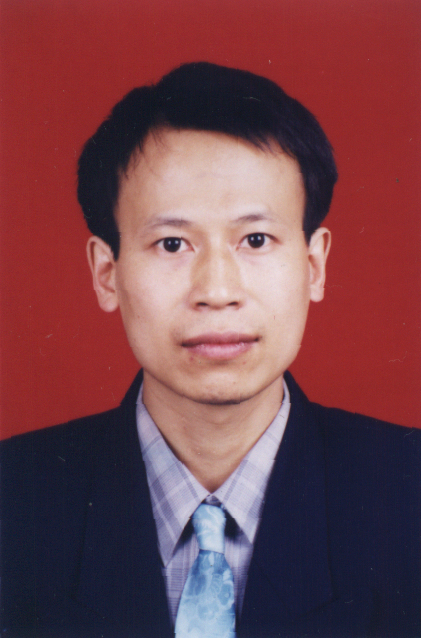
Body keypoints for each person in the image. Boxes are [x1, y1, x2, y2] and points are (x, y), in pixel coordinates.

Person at [1, 62, 420, 638]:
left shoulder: (407, 491)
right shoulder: (14, 501)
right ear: (106, 273)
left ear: (314, 265)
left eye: (256, 239)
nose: (217, 291)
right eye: (172, 243)